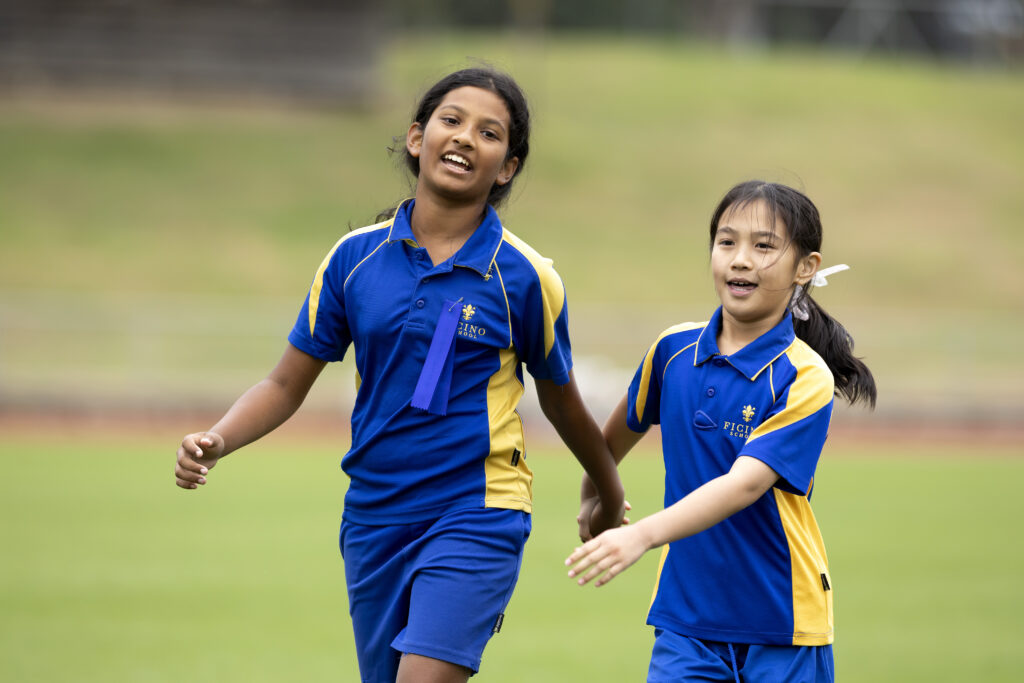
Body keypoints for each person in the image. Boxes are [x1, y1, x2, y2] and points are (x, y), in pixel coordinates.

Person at [174, 67, 625, 683]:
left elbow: (563, 400)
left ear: (508, 167)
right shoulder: (353, 259)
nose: (466, 138)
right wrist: (219, 438)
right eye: (452, 121)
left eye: (489, 133)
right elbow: (284, 385)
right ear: (417, 138)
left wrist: (607, 491)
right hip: (374, 515)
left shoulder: (525, 275)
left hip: (478, 510)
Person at [566, 181, 876, 683]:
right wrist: (596, 495)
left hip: (783, 623)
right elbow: (610, 442)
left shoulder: (804, 374)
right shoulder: (672, 351)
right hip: (686, 621)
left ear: (806, 267)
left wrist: (642, 535)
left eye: (764, 246)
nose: (740, 259)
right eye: (727, 242)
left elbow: (745, 484)